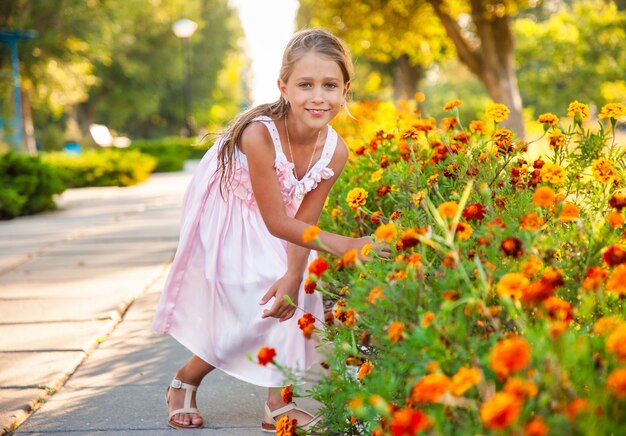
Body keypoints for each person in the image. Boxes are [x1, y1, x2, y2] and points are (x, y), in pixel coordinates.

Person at [152, 28, 388, 431]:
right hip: (230, 212)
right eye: (305, 85)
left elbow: (305, 221)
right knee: (256, 290)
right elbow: (275, 221)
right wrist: (348, 245)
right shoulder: (258, 134)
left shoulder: (336, 150)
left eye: (330, 85)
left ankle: (277, 401)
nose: (318, 97)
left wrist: (295, 276)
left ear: (345, 89)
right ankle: (185, 379)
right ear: (283, 87)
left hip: (286, 221)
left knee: (297, 292)